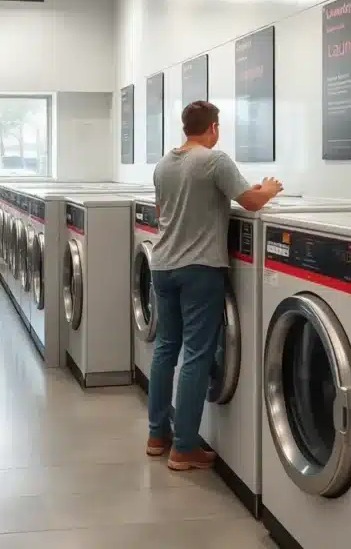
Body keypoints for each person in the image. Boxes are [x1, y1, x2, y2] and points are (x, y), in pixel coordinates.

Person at [146, 100, 283, 471]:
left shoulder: (164, 164)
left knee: (165, 349)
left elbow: (164, 214)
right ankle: (185, 447)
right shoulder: (214, 160)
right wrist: (269, 188)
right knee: (196, 353)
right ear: (214, 127)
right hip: (199, 268)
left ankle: (157, 435)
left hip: (161, 265)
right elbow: (252, 202)